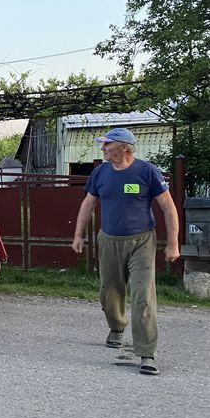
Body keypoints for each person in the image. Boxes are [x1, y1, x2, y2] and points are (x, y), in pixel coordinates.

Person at [71, 127, 180, 375]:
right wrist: (78, 235)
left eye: (107, 144)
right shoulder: (100, 172)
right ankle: (117, 327)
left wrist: (173, 244)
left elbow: (169, 208)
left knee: (143, 296)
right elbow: (88, 203)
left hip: (142, 240)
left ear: (122, 147)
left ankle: (147, 353)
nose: (103, 148)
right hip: (109, 240)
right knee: (109, 291)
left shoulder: (146, 171)